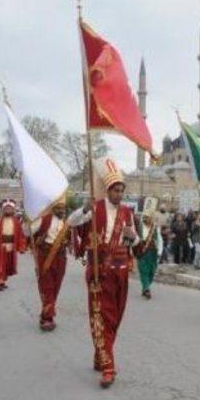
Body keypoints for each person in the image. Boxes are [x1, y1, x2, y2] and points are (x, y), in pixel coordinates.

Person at [67, 158, 138, 388]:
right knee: (102, 318)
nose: (118, 194)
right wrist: (84, 209)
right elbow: (71, 222)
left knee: (115, 319)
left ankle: (101, 353)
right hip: (99, 273)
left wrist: (131, 235)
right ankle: (109, 367)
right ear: (107, 190)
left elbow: (136, 241)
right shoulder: (95, 208)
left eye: (121, 190)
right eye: (115, 190)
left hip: (121, 273)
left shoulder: (127, 213)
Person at [25, 200, 70, 331]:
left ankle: (47, 311)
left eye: (63, 208)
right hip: (45, 256)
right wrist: (27, 219)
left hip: (61, 257)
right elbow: (27, 232)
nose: (62, 210)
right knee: (47, 286)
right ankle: (47, 318)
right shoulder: (43, 219)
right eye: (59, 208)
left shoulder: (66, 222)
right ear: (52, 208)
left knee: (56, 286)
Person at [0, 199, 26, 290]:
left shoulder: (16, 222)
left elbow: (21, 235)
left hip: (11, 246)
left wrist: (22, 246)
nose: (8, 210)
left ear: (13, 210)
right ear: (3, 210)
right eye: (6, 208)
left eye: (10, 208)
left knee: (7, 264)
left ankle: (3, 280)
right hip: (0, 246)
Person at [134, 211, 162, 299]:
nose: (145, 219)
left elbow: (160, 240)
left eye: (147, 217)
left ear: (151, 218)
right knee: (143, 271)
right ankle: (146, 289)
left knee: (152, 272)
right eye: (144, 217)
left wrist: (159, 252)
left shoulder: (155, 228)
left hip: (153, 253)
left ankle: (145, 288)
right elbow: (135, 239)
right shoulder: (139, 227)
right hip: (142, 252)